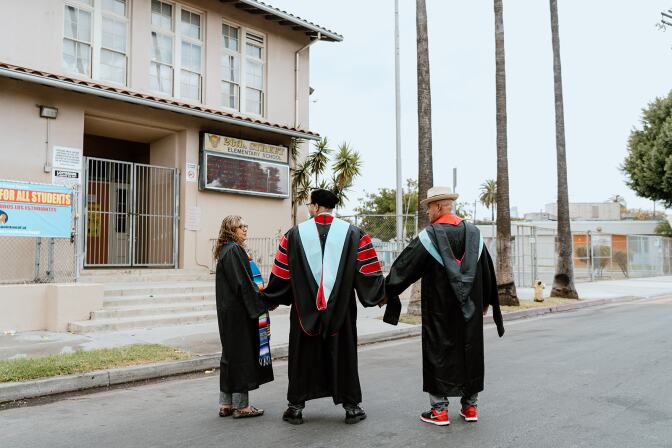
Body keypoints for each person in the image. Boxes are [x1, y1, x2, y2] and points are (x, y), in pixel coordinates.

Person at [262, 189, 388, 425]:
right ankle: (352, 408)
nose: (309, 208)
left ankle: (296, 408)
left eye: (310, 205)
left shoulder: (293, 235)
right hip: (341, 311)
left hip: (303, 312)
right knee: (343, 355)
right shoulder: (355, 234)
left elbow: (282, 275)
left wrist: (270, 297)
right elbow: (368, 273)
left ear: (317, 207)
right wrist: (380, 295)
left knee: (302, 357)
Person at [384, 186, 505, 426]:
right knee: (469, 351)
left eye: (429, 207)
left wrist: (385, 290)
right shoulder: (474, 233)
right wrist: (485, 302)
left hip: (439, 310)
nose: (427, 212)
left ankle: (439, 411)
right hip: (469, 308)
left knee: (438, 353)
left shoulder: (430, 236)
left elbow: (405, 266)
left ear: (439, 206)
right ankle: (470, 408)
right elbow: (486, 271)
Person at [213, 215, 274, 419]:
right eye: (241, 227)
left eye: (245, 226)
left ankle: (226, 403)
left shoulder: (225, 250)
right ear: (232, 230)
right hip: (239, 313)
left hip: (228, 313)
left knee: (229, 356)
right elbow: (243, 284)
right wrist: (261, 303)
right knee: (241, 355)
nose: (245, 230)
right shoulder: (235, 250)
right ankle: (242, 406)